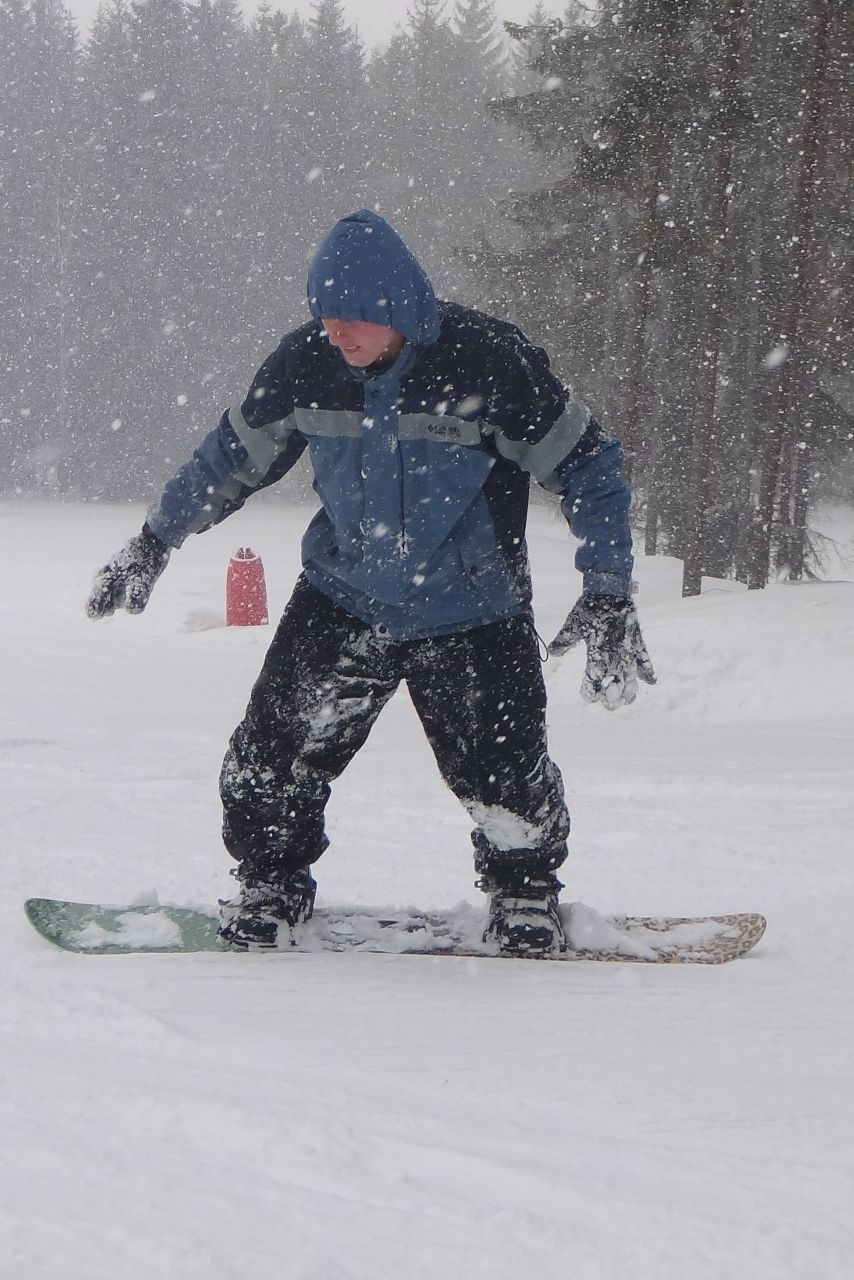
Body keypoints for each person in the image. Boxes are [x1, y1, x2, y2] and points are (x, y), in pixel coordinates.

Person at [86, 209, 655, 956]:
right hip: (343, 597)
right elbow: (229, 458)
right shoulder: (306, 366)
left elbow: (588, 463)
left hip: (472, 605)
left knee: (505, 770)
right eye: (325, 316)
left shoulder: (487, 362)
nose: (336, 333)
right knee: (271, 760)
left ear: (397, 310)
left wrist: (608, 585)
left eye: (353, 318)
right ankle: (272, 883)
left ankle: (524, 891)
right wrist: (154, 541)